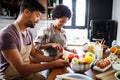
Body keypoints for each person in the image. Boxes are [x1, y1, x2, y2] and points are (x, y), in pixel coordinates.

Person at [0, 0, 69, 80]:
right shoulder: (7, 34)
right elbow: (21, 69)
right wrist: (52, 64)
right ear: (26, 12)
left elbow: (35, 55)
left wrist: (54, 59)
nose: (39, 19)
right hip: (12, 77)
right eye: (37, 15)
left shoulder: (28, 32)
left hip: (26, 75)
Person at [34, 4, 77, 77]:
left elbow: (63, 47)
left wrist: (70, 50)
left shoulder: (63, 31)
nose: (63, 24)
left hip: (61, 61)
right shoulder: (45, 30)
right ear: (55, 17)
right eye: (61, 21)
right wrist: (50, 44)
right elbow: (36, 46)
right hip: (48, 63)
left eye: (65, 22)